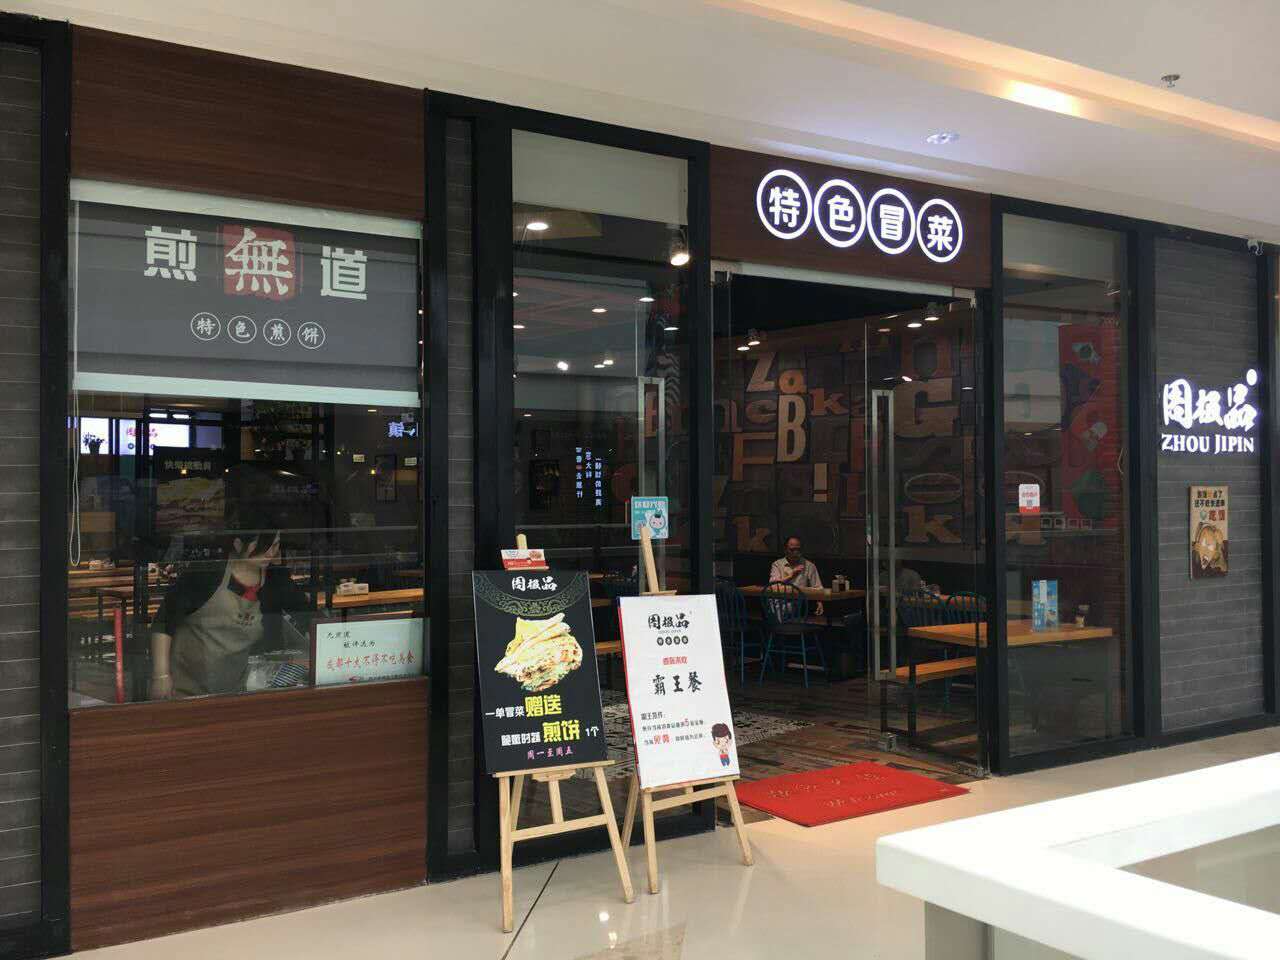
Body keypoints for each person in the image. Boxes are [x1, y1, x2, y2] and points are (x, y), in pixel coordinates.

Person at [149, 510, 312, 700]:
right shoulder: (208, 572)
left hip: (235, 691)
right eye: (263, 546)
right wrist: (161, 676)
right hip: (184, 688)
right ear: (238, 543)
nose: (270, 553)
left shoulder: (275, 579)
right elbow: (163, 621)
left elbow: (306, 615)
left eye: (275, 545)